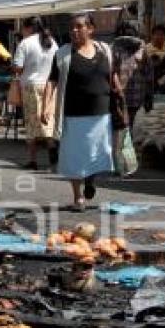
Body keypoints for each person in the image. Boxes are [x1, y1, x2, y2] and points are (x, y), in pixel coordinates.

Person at [44, 13, 115, 211]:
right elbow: (52, 81)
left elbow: (112, 76)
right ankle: (78, 198)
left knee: (96, 153)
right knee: (74, 156)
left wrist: (119, 96)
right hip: (73, 114)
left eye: (79, 27)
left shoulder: (105, 51)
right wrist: (46, 106)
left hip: (101, 113)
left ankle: (90, 179)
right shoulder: (63, 54)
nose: (74, 31)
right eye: (72, 28)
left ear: (90, 29)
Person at [13, 16, 58, 170]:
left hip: (31, 86)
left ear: (28, 28)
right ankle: (52, 145)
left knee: (32, 123)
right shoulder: (52, 42)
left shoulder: (25, 43)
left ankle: (33, 160)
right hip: (50, 85)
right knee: (48, 118)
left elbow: (18, 68)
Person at [112, 21, 154, 133]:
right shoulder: (116, 48)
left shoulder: (115, 48)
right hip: (127, 97)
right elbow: (149, 74)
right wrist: (149, 96)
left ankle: (126, 145)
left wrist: (149, 96)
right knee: (125, 126)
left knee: (127, 126)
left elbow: (148, 73)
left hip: (127, 97)